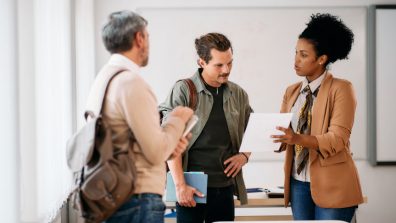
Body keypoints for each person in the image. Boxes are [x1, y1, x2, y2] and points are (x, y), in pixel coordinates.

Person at [87, 10, 194, 223]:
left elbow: (137, 145)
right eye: (148, 36)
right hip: (137, 200)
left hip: (117, 196)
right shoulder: (130, 83)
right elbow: (155, 152)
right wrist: (177, 119)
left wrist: (171, 146)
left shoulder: (104, 78)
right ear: (139, 38)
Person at [272, 13, 364, 222]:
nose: (296, 60)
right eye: (296, 52)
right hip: (298, 183)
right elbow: (283, 135)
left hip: (334, 185)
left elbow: (338, 139)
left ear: (322, 59)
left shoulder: (342, 89)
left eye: (303, 55)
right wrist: (267, 135)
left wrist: (296, 138)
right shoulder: (292, 91)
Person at [159, 32, 253, 223]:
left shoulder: (238, 94)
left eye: (230, 63)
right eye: (219, 65)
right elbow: (170, 140)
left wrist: (245, 156)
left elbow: (253, 129)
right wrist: (180, 186)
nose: (226, 69)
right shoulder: (184, 90)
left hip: (225, 186)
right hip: (191, 187)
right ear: (202, 62)